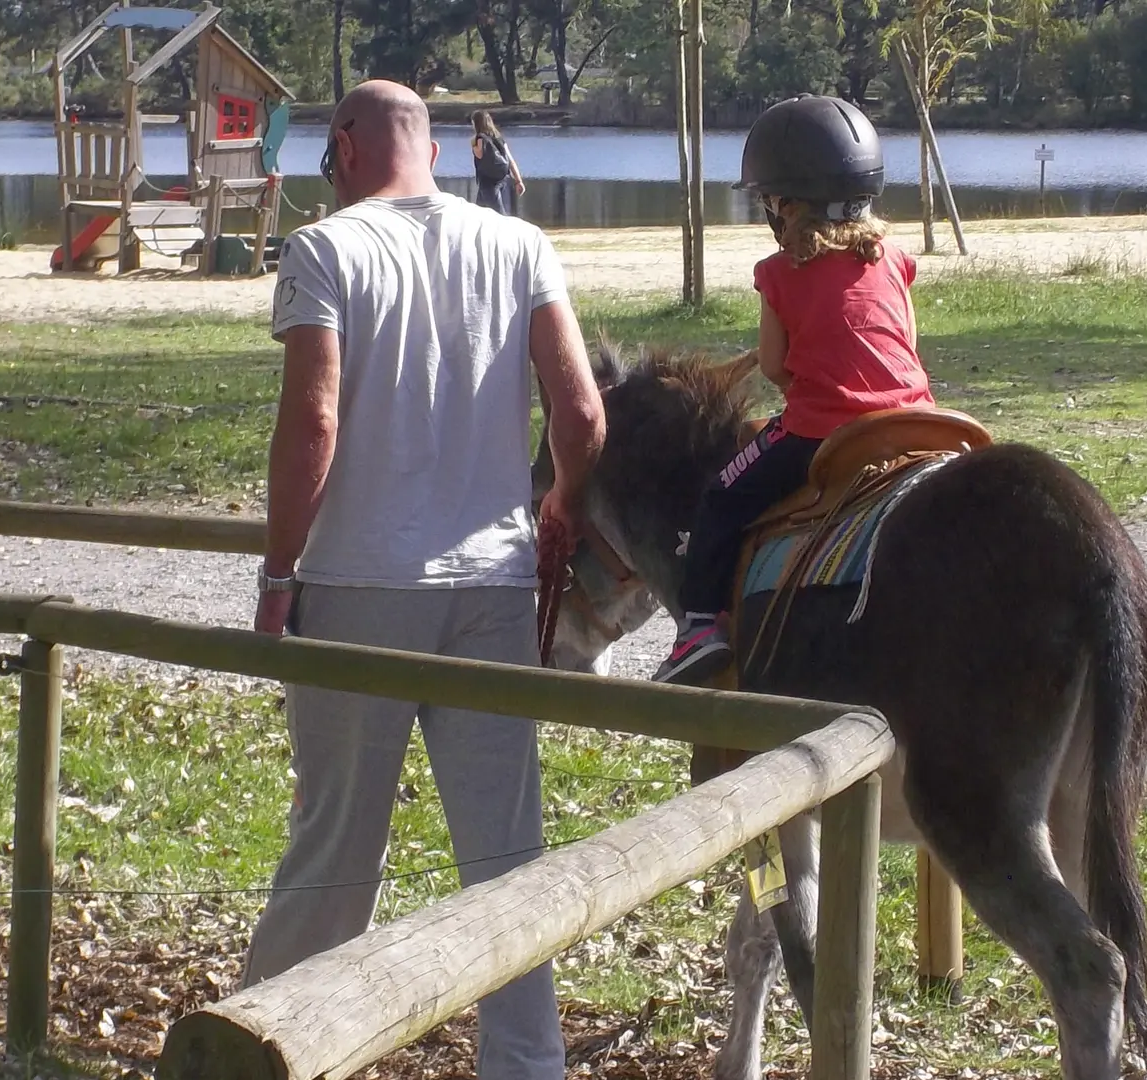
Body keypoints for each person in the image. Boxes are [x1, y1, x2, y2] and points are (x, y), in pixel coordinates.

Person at [246, 79, 605, 1080]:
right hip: (493, 585)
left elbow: (314, 422)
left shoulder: (323, 248)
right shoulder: (519, 243)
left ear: (345, 147)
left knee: (335, 848)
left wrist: (278, 572)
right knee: (505, 854)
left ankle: (271, 1048)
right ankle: (527, 1065)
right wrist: (561, 502)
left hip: (361, 585)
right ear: (437, 153)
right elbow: (581, 414)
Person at [653, 94, 936, 686]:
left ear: (786, 204)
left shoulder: (779, 273)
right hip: (918, 423)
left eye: (769, 200)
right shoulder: (893, 260)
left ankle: (699, 628)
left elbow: (777, 369)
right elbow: (907, 341)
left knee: (722, 496)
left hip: (822, 433)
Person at [471, 109, 525, 215]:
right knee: (479, 213)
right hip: (502, 178)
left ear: (476, 123)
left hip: (488, 182)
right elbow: (511, 161)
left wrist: (473, 145)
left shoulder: (480, 138)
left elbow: (480, 154)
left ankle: (507, 226)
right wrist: (518, 181)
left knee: (498, 214)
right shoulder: (499, 138)